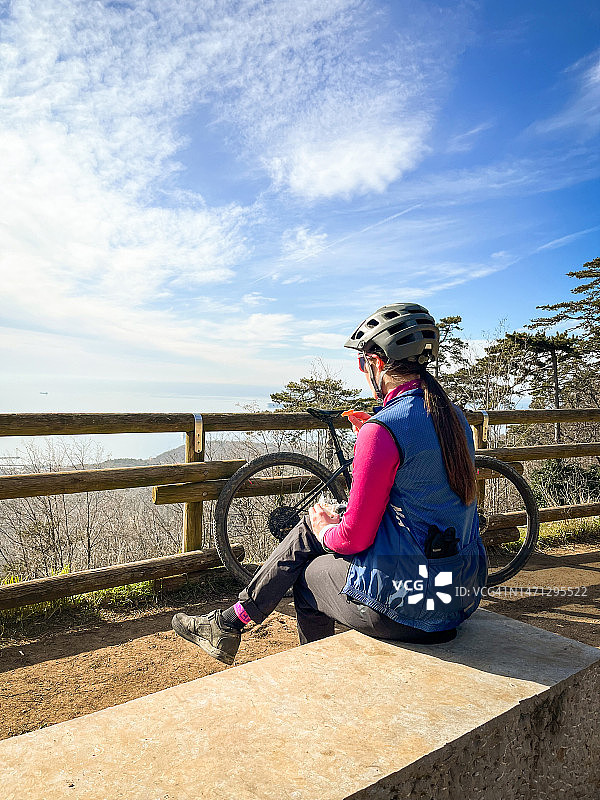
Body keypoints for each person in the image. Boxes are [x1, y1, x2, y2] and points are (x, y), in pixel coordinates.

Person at [172, 303, 488, 665]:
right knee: (319, 530)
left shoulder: (384, 430)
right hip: (458, 594)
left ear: (377, 363)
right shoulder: (454, 418)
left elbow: (355, 539)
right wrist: (375, 440)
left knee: (308, 576)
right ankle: (229, 622)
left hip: (409, 607)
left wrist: (324, 531)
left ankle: (278, 651)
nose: (361, 369)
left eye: (361, 361)